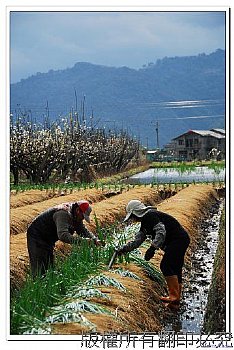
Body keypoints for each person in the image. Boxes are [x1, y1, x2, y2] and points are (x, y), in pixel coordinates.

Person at [117, 199, 190, 309]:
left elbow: (161, 231)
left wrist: (152, 248)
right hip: (182, 239)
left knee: (166, 265)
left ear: (136, 212)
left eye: (132, 216)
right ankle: (176, 299)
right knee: (175, 267)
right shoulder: (145, 223)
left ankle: (173, 297)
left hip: (178, 240)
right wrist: (124, 249)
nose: (133, 219)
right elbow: (138, 241)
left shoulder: (149, 216)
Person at [27, 200, 101, 277]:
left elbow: (82, 230)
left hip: (48, 238)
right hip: (37, 235)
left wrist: (95, 240)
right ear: (78, 210)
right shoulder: (63, 214)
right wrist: (84, 242)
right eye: (83, 216)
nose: (82, 219)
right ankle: (38, 284)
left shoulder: (75, 215)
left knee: (49, 266)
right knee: (39, 268)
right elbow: (63, 235)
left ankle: (45, 282)